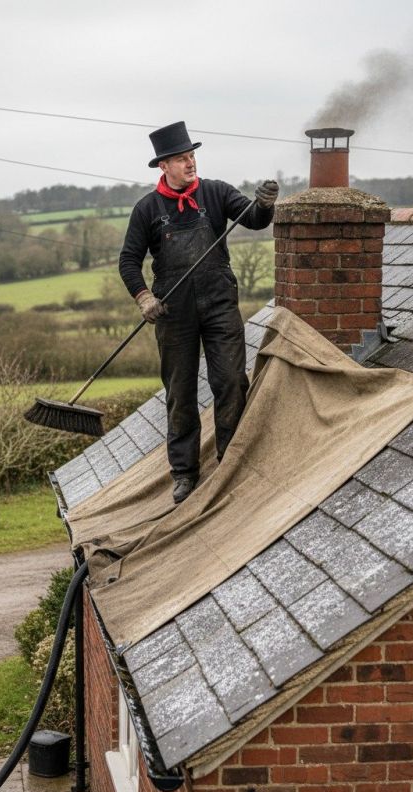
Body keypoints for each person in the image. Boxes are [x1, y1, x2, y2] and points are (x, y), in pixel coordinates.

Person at [119, 121, 278, 504]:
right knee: (180, 393)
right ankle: (185, 474)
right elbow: (128, 261)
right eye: (181, 158)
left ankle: (231, 462)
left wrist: (265, 204)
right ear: (164, 166)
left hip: (220, 303)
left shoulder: (217, 192)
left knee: (230, 382)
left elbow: (253, 219)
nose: (190, 163)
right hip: (173, 314)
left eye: (192, 156)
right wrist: (143, 297)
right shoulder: (147, 210)